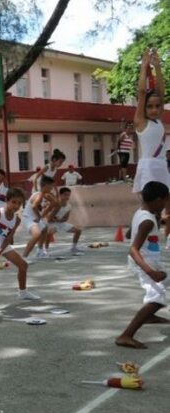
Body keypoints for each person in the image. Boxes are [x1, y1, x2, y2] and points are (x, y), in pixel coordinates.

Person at [116, 181, 170, 348]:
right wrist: (151, 272)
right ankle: (125, 335)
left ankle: (150, 316)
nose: (165, 205)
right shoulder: (147, 220)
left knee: (165, 282)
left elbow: (129, 233)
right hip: (144, 263)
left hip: (151, 260)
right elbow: (133, 249)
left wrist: (158, 220)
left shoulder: (143, 213)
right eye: (165, 202)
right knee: (158, 298)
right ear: (158, 200)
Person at [0, 189, 37, 315]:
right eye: (13, 202)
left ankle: (23, 293)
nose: (16, 206)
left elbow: (9, 237)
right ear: (7, 201)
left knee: (23, 265)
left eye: (19, 203)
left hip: (3, 244)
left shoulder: (17, 220)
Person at [132, 49, 168, 194]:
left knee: (166, 202)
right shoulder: (141, 122)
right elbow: (141, 93)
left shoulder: (158, 120)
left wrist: (157, 67)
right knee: (149, 202)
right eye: (149, 106)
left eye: (157, 106)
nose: (154, 110)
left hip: (162, 165)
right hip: (148, 167)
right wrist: (144, 66)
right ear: (143, 108)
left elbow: (161, 91)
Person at [22, 175, 58, 261]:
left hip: (34, 218)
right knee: (37, 234)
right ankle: (24, 257)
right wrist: (39, 217)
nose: (52, 189)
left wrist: (51, 201)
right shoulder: (38, 195)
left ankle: (40, 251)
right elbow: (34, 206)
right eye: (51, 187)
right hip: (29, 218)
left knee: (44, 229)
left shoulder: (43, 194)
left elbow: (55, 203)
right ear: (46, 186)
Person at [44, 187, 84, 255]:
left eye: (68, 195)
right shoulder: (54, 204)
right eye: (65, 195)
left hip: (61, 223)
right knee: (49, 233)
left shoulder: (69, 206)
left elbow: (66, 218)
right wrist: (54, 219)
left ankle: (74, 247)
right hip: (51, 224)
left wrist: (60, 220)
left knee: (78, 231)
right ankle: (44, 251)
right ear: (60, 195)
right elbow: (47, 216)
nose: (67, 197)